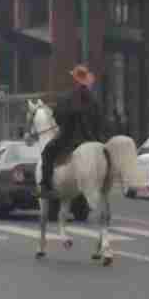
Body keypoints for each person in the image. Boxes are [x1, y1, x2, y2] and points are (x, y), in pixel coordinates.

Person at [39, 64, 105, 198]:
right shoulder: (94, 100)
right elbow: (100, 121)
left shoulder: (67, 97)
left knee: (47, 152)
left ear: (75, 80)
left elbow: (58, 118)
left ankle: (46, 187)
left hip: (70, 139)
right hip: (92, 139)